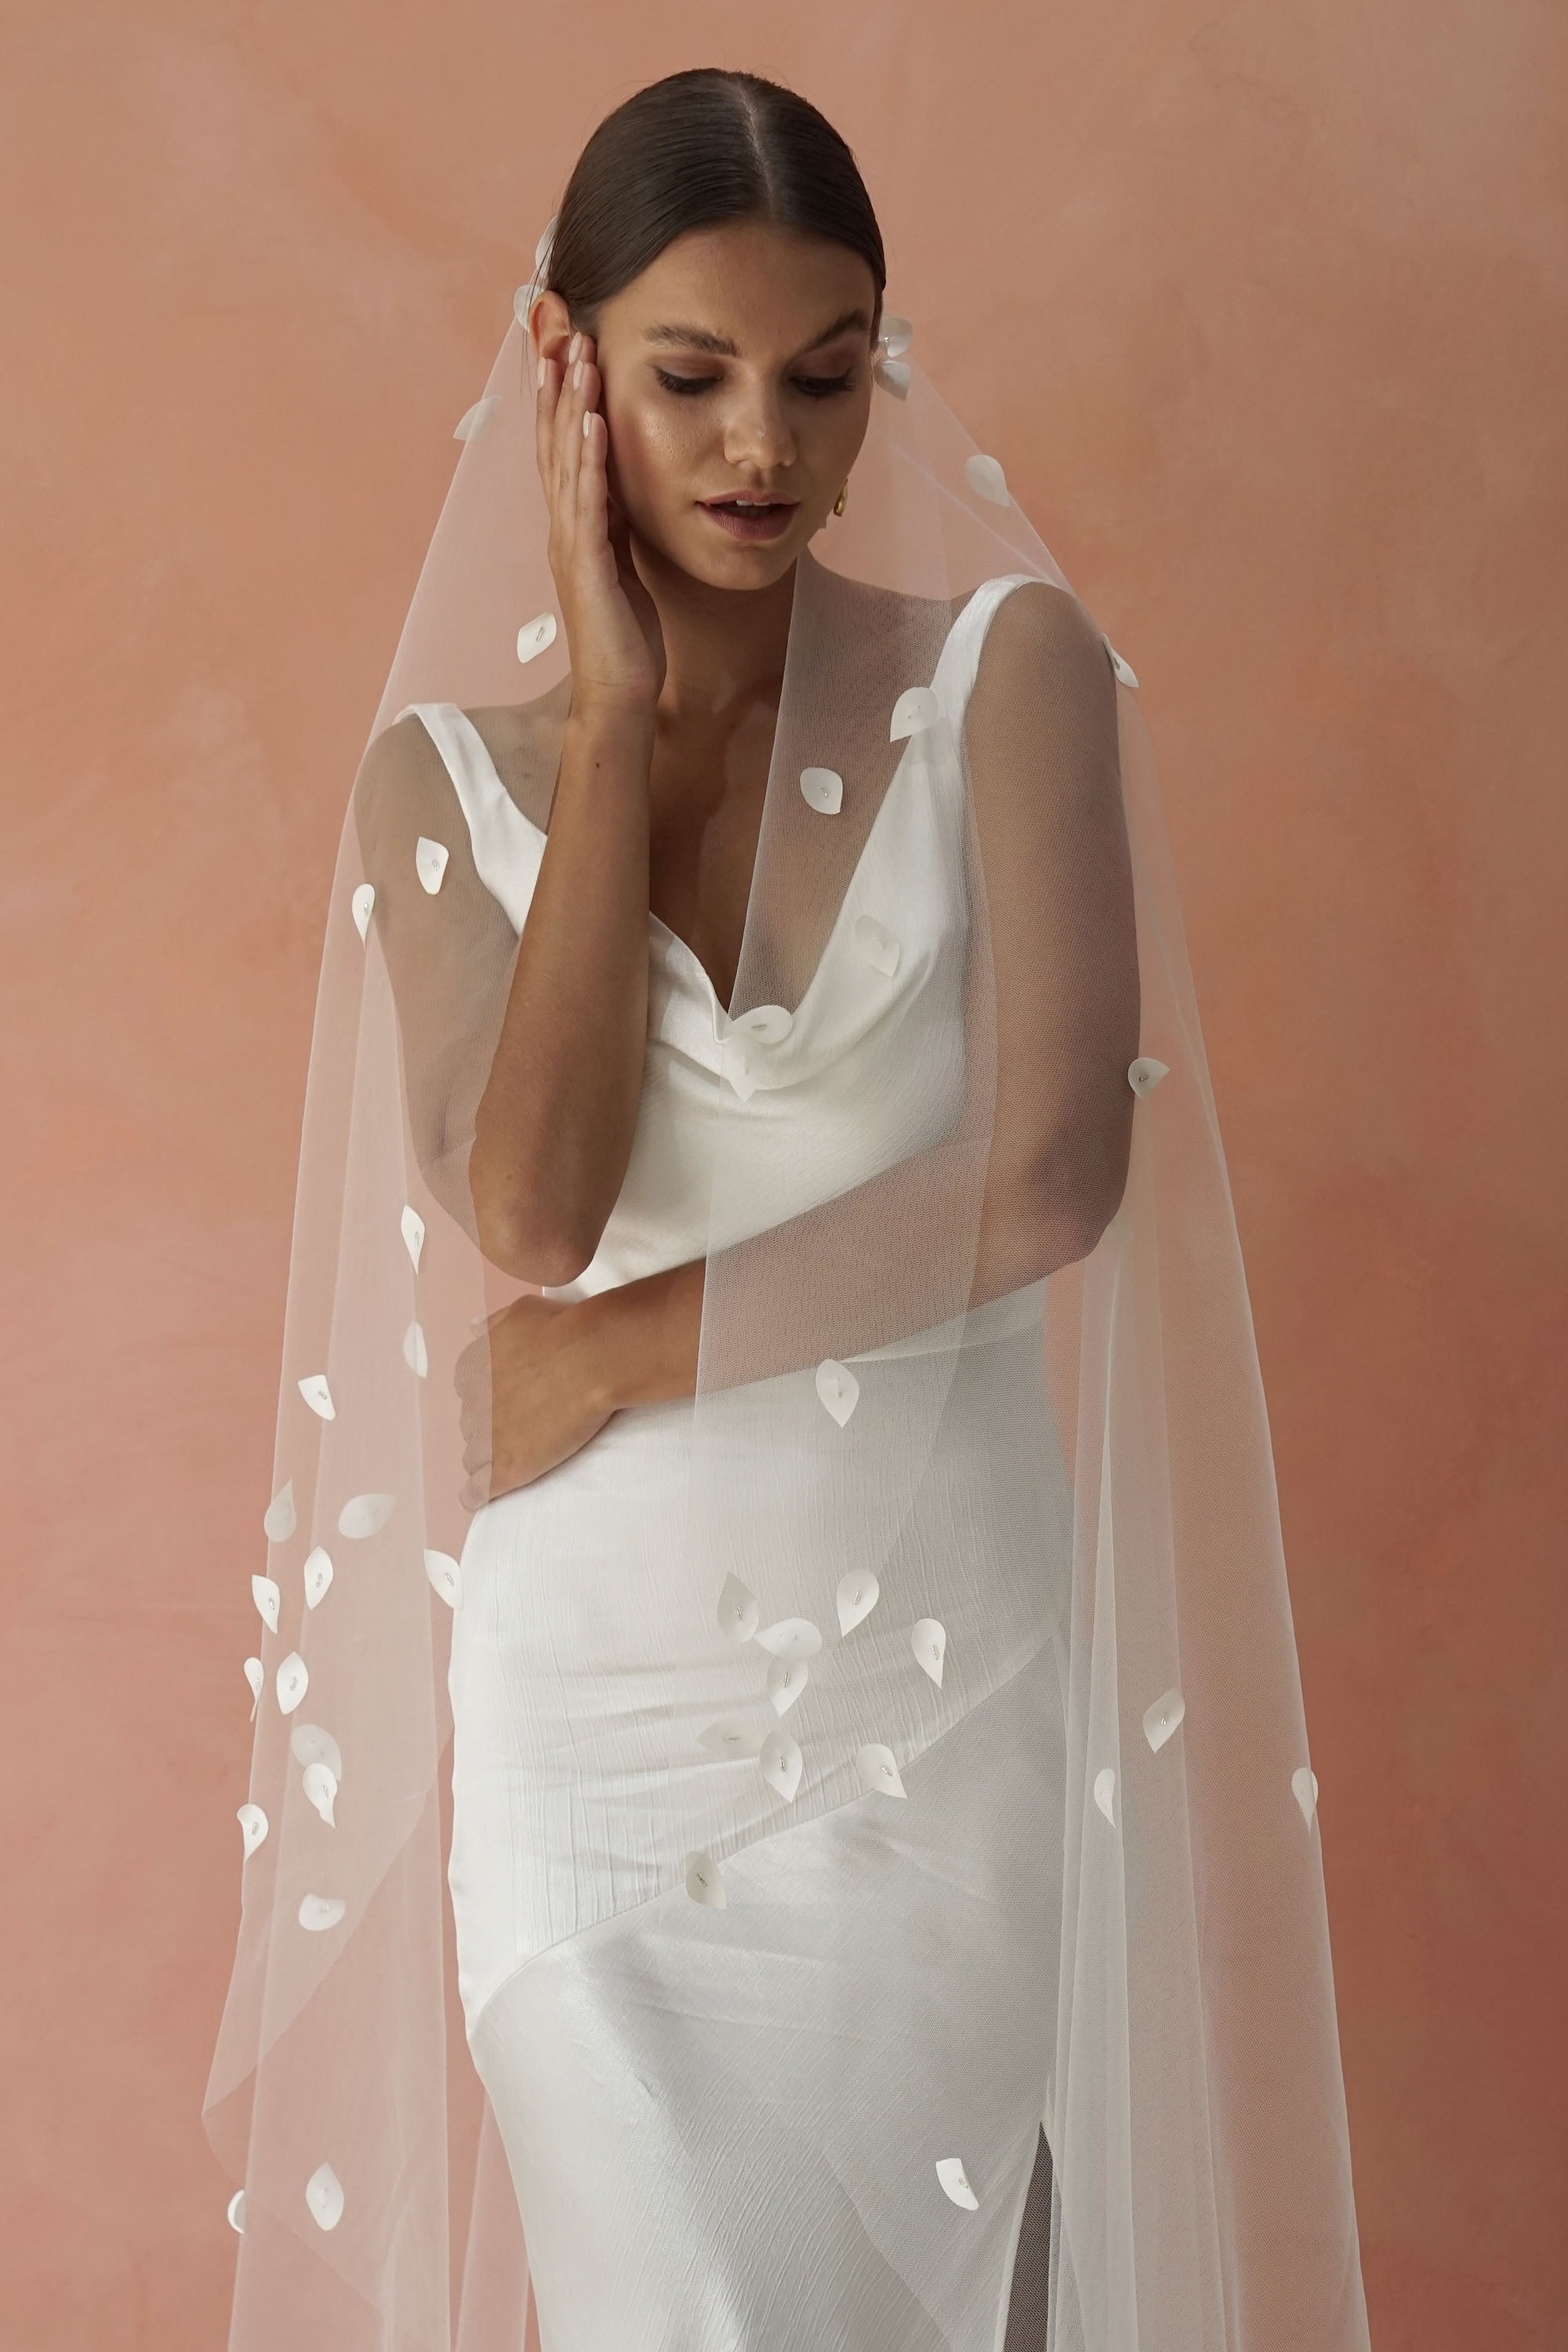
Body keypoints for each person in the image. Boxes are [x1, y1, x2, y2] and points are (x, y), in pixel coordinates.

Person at [206, 67, 1372, 2352]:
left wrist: (629, 1357)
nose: (769, 445)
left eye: (829, 377)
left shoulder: (1001, 678)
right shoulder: (440, 790)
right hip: (598, 1732)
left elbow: (1050, 1170)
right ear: (562, 370)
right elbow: (533, 1210)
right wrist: (621, 715)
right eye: (690, 377)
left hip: (938, 1693)